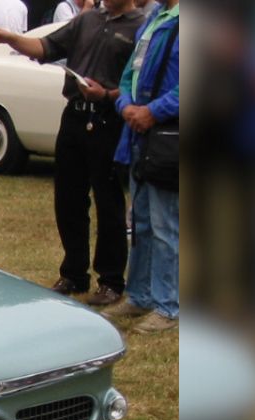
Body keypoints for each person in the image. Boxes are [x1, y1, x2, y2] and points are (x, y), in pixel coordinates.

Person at [0, 0, 144, 305]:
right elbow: (45, 46)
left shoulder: (139, 27)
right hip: (75, 116)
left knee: (108, 203)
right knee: (67, 199)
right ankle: (73, 273)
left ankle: (110, 281)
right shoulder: (87, 20)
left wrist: (106, 94)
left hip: (109, 120)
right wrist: (10, 38)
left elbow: (139, 84)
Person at [102, 0, 179, 331]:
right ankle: (140, 296)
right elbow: (130, 72)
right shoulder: (155, 17)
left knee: (166, 225)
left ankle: (168, 306)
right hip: (139, 136)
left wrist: (153, 111)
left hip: (168, 136)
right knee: (142, 221)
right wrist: (127, 105)